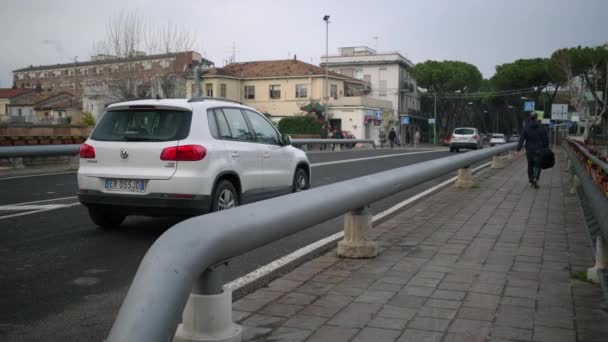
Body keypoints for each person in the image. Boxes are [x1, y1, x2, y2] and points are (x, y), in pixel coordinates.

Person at [517, 112, 549, 189]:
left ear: (530, 118)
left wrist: (518, 149)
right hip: (539, 149)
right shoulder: (542, 127)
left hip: (529, 150)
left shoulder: (526, 128)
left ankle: (531, 179)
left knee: (530, 165)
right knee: (538, 165)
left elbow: (522, 139)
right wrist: (546, 147)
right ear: (537, 118)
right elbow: (546, 139)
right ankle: (535, 178)